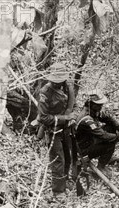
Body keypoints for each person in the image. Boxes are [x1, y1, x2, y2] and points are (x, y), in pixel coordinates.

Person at [37, 62, 75, 198]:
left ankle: (65, 181)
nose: (58, 83)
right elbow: (43, 117)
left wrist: (70, 117)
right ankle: (58, 191)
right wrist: (65, 117)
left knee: (67, 156)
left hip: (65, 128)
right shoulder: (45, 93)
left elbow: (70, 103)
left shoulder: (67, 85)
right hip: (52, 130)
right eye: (55, 81)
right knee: (58, 160)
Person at [75, 90, 119, 174]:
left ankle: (107, 157)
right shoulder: (86, 119)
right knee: (110, 142)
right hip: (83, 149)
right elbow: (103, 136)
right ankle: (101, 166)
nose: (101, 106)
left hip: (91, 140)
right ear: (92, 104)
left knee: (110, 126)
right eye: (99, 105)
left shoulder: (93, 111)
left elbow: (109, 118)